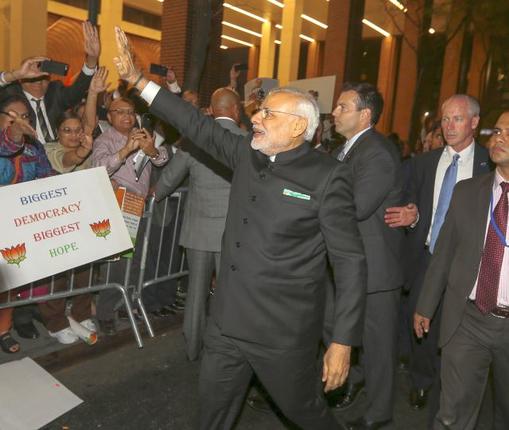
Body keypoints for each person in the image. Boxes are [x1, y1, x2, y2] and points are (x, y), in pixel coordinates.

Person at [113, 26, 366, 430]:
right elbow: (196, 124)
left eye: (269, 114)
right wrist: (140, 82)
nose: (258, 118)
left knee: (308, 415)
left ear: (299, 128)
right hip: (227, 325)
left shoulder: (327, 178)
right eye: (260, 111)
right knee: (211, 416)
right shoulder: (246, 153)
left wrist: (341, 342)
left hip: (281, 334)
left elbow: (350, 262)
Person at [384, 95, 492, 421]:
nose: (448, 126)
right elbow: (412, 207)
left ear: (474, 122)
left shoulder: (490, 165)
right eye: (445, 119)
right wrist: (412, 217)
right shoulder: (422, 163)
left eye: (457, 119)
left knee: (458, 332)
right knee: (421, 326)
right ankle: (420, 380)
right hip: (427, 261)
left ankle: (453, 390)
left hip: (468, 268)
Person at [414, 111, 509, 430]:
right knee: (452, 414)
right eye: (497, 130)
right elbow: (443, 254)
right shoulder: (468, 191)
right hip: (468, 319)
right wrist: (426, 306)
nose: (499, 137)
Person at [329, 82, 404, 430]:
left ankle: (378, 415)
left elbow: (355, 207)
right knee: (341, 332)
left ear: (365, 115)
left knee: (378, 348)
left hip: (376, 269)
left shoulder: (376, 151)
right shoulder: (346, 149)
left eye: (343, 107)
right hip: (352, 264)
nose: (335, 112)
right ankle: (350, 381)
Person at [155, 87, 247, 361]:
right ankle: (225, 351)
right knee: (228, 294)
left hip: (197, 231)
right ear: (235, 110)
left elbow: (170, 178)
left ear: (212, 109)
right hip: (232, 233)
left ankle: (193, 347)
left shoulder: (193, 140)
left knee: (195, 294)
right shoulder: (248, 141)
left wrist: (154, 195)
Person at [91, 97, 169, 335]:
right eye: (120, 112)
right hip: (117, 206)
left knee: (135, 263)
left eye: (130, 112)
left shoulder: (144, 135)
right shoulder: (105, 139)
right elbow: (100, 167)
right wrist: (126, 150)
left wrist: (151, 149)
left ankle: (126, 304)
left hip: (138, 205)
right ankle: (104, 313)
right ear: (110, 116)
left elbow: (163, 157)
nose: (126, 116)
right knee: (115, 265)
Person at [0, 93, 54, 353]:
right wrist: (15, 136)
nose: (19, 121)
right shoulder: (9, 141)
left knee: (9, 280)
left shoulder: (36, 148)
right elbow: (7, 147)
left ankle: (3, 330)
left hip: (19, 226)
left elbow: (47, 177)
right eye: (12, 116)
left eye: (24, 117)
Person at [0, 21, 100, 144]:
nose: (38, 80)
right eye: (31, 75)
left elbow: (78, 88)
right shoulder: (10, 94)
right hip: (24, 155)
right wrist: (14, 75)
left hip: (59, 154)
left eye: (43, 75)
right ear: (21, 79)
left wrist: (92, 58)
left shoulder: (55, 92)